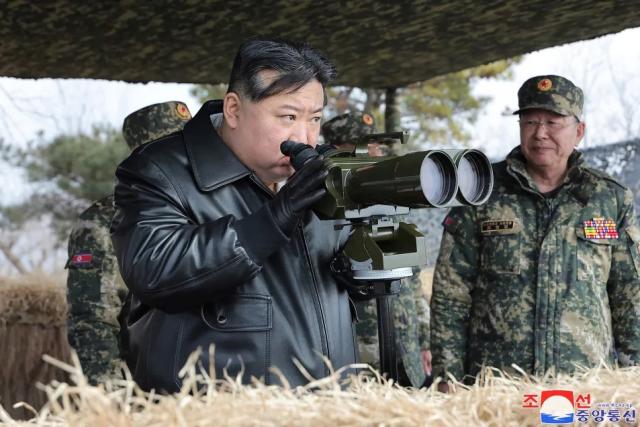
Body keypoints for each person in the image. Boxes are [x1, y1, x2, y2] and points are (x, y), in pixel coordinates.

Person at [110, 38, 358, 392]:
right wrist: (273, 220)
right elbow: (155, 270)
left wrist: (360, 274)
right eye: (288, 117)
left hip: (329, 408)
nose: (305, 137)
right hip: (213, 411)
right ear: (233, 110)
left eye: (315, 119)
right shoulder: (159, 172)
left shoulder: (318, 175)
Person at [430, 75, 640, 390]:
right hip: (497, 386)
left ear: (579, 131)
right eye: (530, 122)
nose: (540, 133)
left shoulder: (608, 198)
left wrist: (633, 377)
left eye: (553, 122)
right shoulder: (481, 192)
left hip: (583, 384)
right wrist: (448, 378)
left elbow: (629, 295)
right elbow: (451, 293)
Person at [66, 101, 192, 384]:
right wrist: (112, 404)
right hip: (144, 394)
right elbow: (92, 320)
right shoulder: (103, 221)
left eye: (186, 148)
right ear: (142, 157)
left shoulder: (215, 207)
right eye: (168, 150)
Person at [321, 112, 432, 387]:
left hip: (406, 350)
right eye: (362, 147)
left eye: (378, 148)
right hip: (358, 353)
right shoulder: (321, 211)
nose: (374, 154)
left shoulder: (392, 204)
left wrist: (425, 340)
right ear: (336, 153)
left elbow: (413, 281)